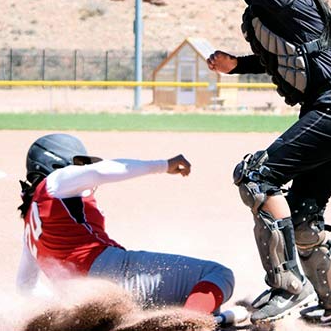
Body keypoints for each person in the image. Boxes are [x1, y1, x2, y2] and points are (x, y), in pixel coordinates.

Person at [178, 0, 331, 326]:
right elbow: (288, 57)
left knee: (254, 176)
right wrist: (238, 66)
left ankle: (287, 285)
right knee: (303, 215)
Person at [16, 133, 235, 316]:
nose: (81, 170)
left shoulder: (30, 227)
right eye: (77, 165)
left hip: (92, 296)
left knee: (194, 303)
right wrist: (163, 165)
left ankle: (203, 320)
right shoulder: (56, 181)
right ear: (56, 162)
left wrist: (70, 305)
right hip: (115, 272)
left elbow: (25, 287)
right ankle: (187, 325)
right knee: (218, 274)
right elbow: (99, 171)